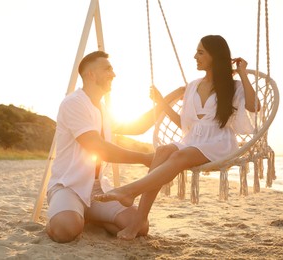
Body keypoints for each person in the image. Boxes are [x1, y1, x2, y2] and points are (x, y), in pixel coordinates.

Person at [94, 35, 261, 240]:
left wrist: (243, 73)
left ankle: (130, 192)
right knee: (163, 151)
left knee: (179, 158)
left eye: (200, 52)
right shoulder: (192, 86)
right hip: (192, 140)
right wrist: (161, 102)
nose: (195, 56)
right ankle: (138, 220)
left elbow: (254, 107)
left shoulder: (233, 86)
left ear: (215, 56)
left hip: (218, 142)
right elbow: (183, 124)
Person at [45, 50, 183, 243]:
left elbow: (138, 126)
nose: (114, 74)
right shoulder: (74, 103)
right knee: (66, 230)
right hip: (69, 186)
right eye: (108, 69)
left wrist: (166, 99)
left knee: (140, 225)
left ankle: (90, 216)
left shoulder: (102, 108)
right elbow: (98, 148)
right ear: (90, 74)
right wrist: (144, 158)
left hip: (97, 189)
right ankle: (69, 215)